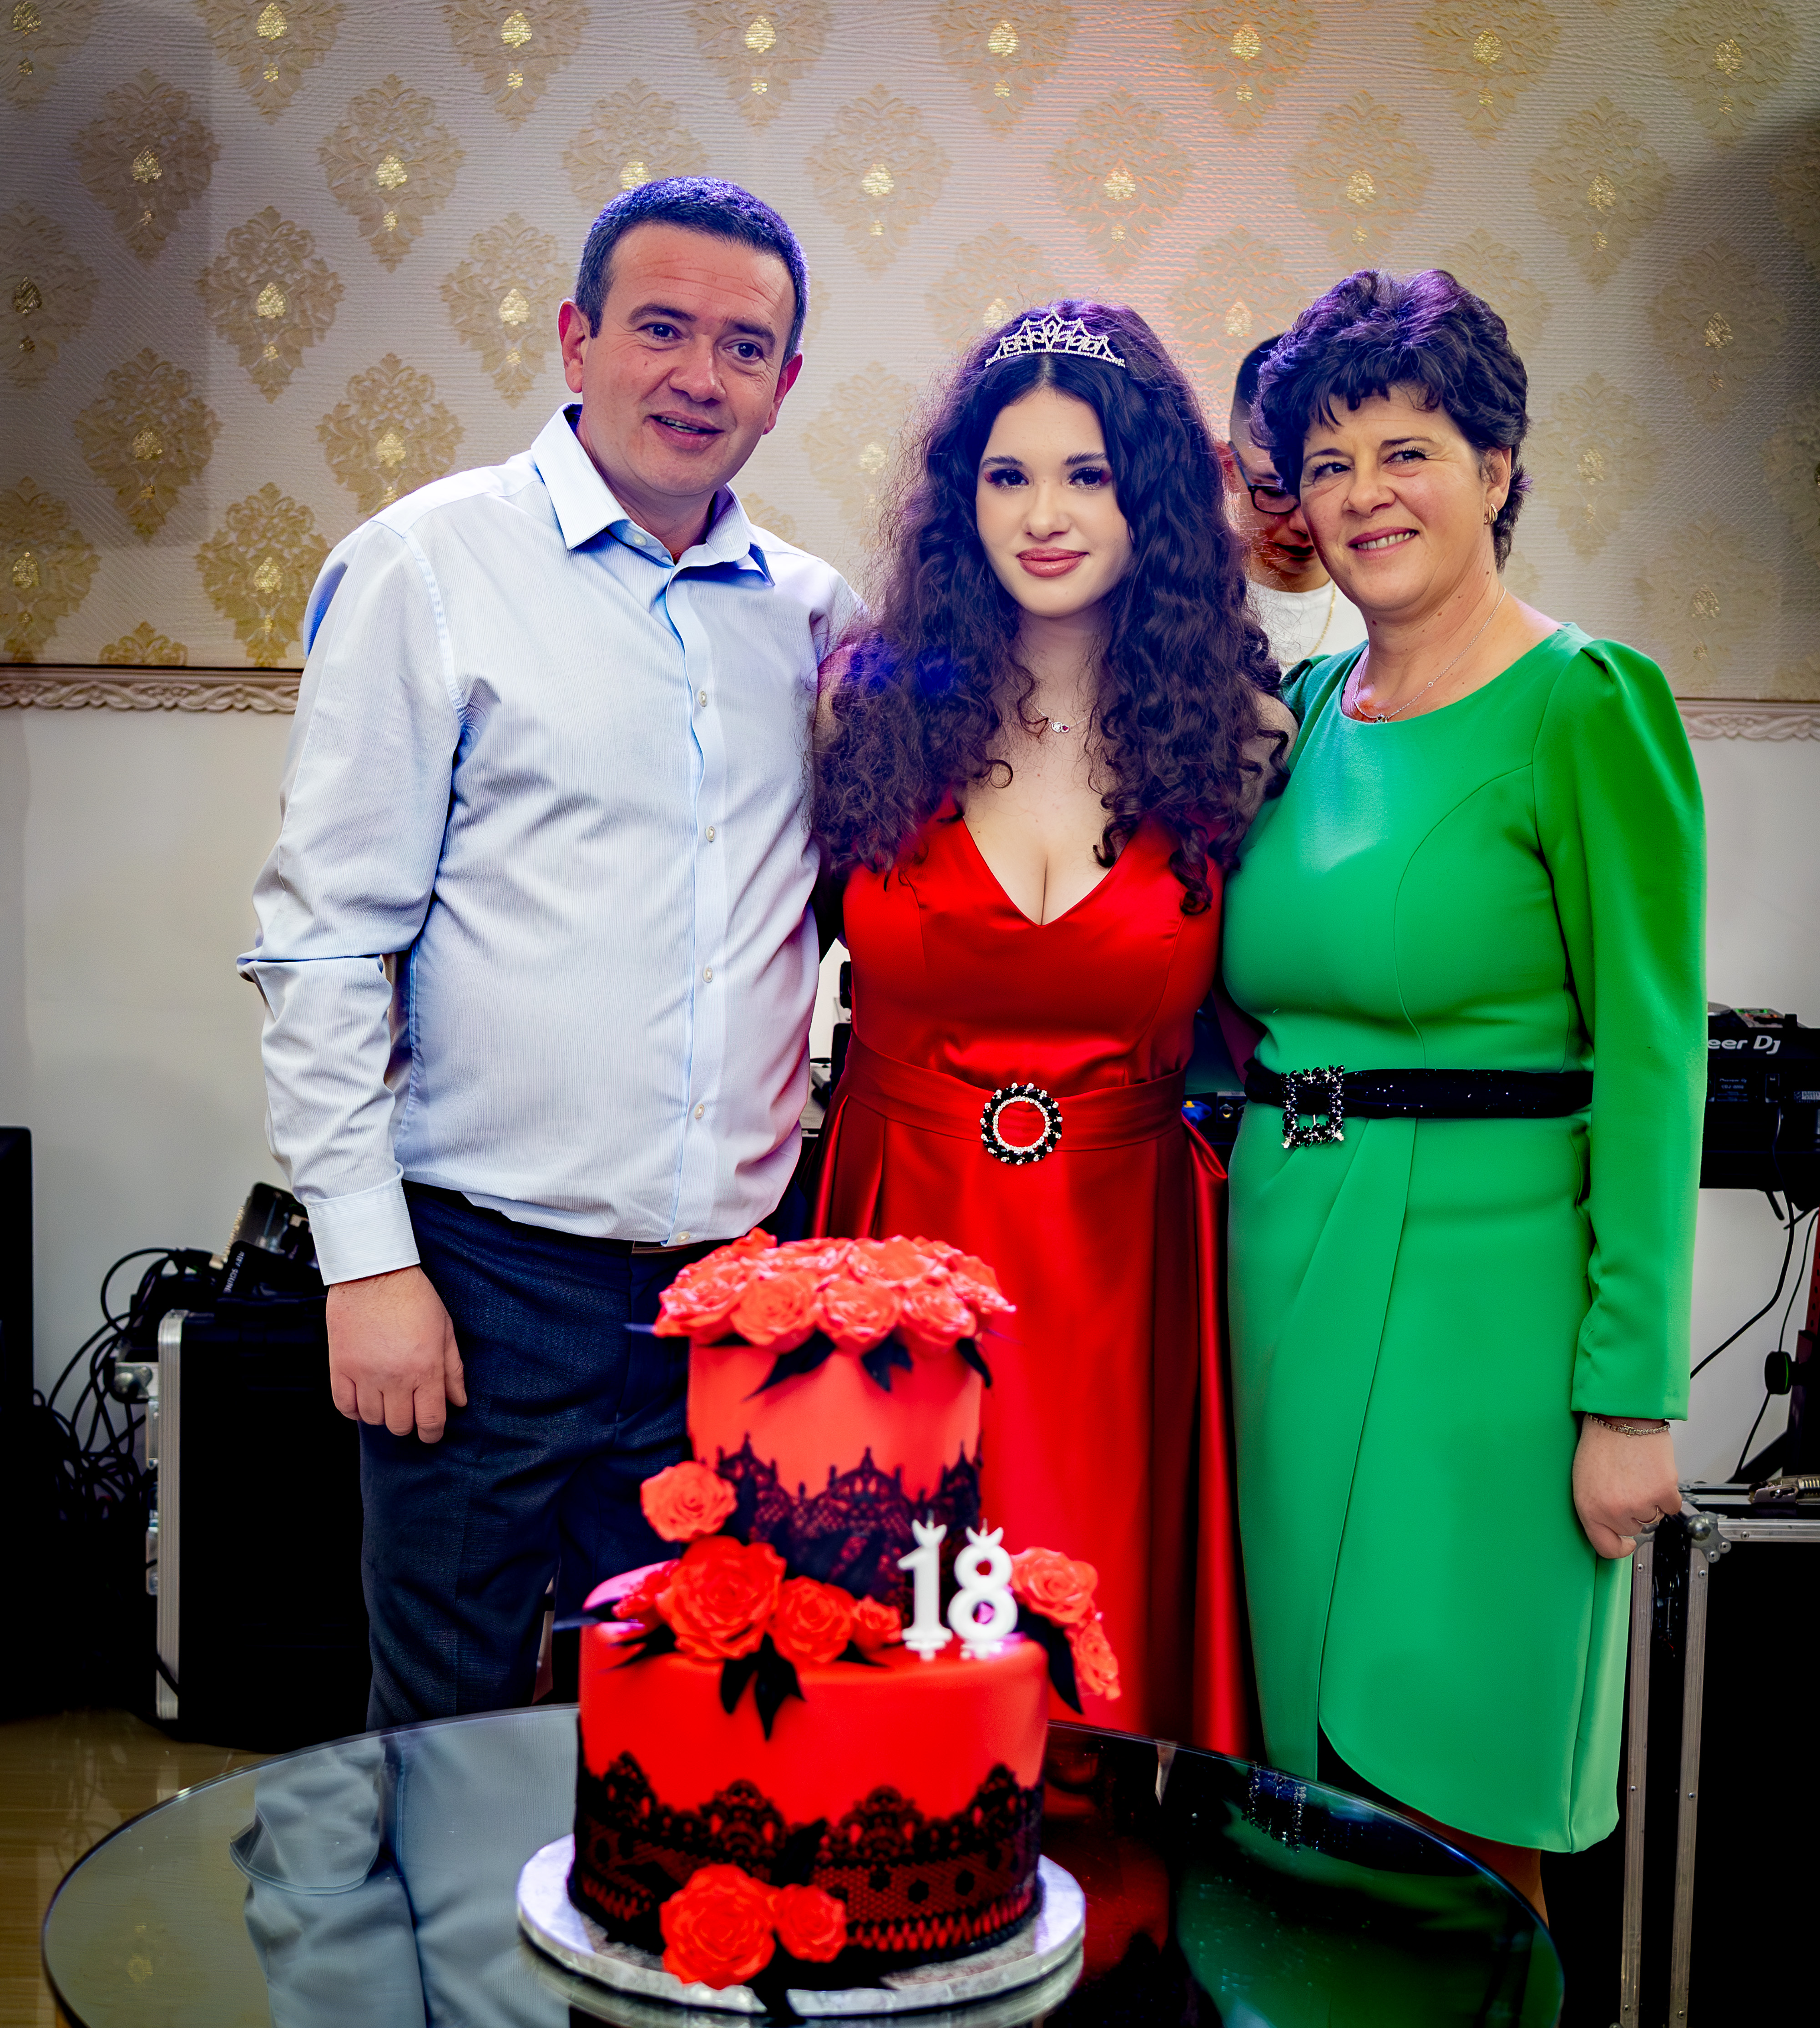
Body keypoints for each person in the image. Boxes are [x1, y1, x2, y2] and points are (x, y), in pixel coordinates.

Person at [1223, 269, 1705, 2028]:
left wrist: (1627, 1388)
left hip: (1490, 1318)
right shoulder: (1303, 717)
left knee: (1459, 1778)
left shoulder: (1586, 702)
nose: (1362, 491)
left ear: (1496, 464)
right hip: (1283, 1271)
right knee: (1301, 1782)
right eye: (1326, 459)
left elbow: (1654, 1058)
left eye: (1404, 448)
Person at [243, 178, 856, 1730]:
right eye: (661, 329)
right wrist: (366, 1263)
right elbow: (324, 942)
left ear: (785, 384)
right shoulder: (427, 566)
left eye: (743, 347)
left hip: (729, 1305)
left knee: (685, 1742)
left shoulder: (813, 619)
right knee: (444, 1741)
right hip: (483, 1284)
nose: (699, 377)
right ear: (577, 342)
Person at [809, 302, 1289, 1750]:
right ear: (959, 498)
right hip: (894, 1245)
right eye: (1007, 474)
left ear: (1155, 497)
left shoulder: (1243, 737)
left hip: (1123, 1273)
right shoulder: (864, 708)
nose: (1044, 514)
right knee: (892, 1674)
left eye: (1088, 475)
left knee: (1103, 1670)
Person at [1219, 334, 1367, 671]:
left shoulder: (1388, 600)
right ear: (1227, 468)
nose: (1304, 524)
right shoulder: (1181, 599)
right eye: (1274, 491)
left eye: (1331, 478)